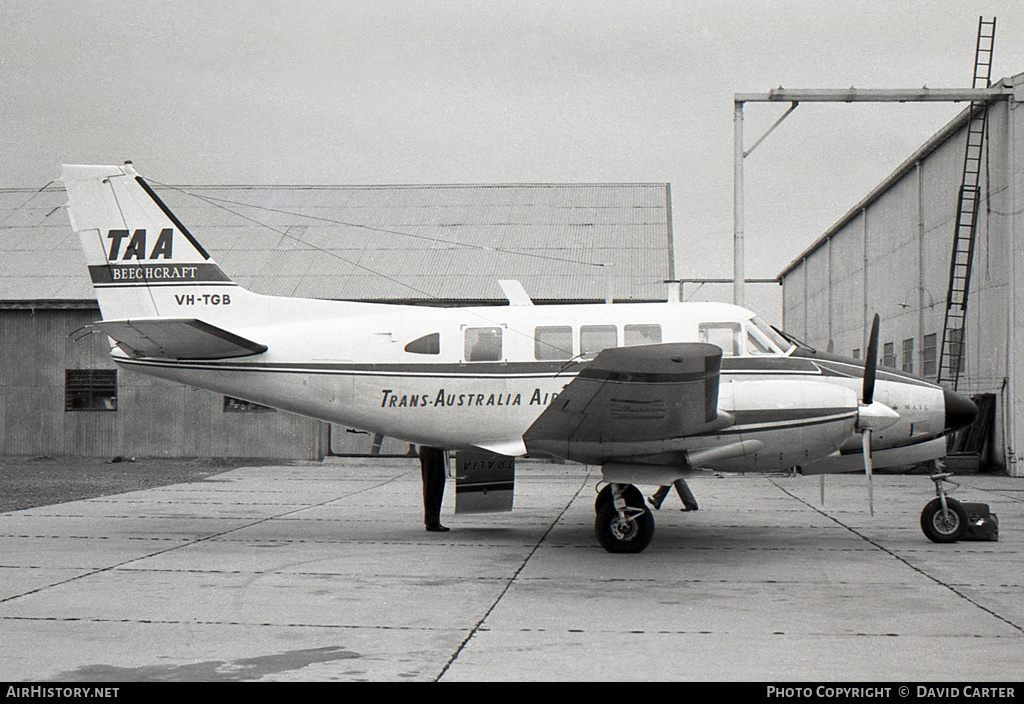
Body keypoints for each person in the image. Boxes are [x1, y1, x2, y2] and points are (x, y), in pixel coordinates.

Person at [419, 446, 450, 532]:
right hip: (432, 447)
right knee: (434, 480)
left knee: (435, 480)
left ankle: (432, 520)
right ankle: (432, 521)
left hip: (432, 447)